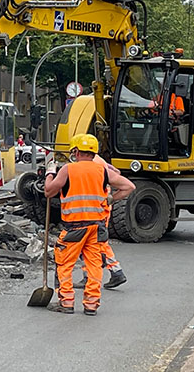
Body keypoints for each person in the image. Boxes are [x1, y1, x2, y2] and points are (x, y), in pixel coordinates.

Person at [43, 134, 135, 316]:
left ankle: (66, 302)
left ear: (76, 151)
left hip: (74, 227)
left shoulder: (68, 169)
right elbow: (129, 187)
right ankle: (91, 305)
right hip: (97, 227)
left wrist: (49, 173)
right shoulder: (103, 171)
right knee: (94, 265)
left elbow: (48, 191)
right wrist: (110, 199)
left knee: (64, 263)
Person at [75, 153, 127, 289]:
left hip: (96, 209)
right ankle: (88, 275)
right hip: (100, 206)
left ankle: (116, 271)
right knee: (90, 242)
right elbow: (116, 171)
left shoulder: (91, 162)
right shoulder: (98, 159)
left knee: (97, 241)